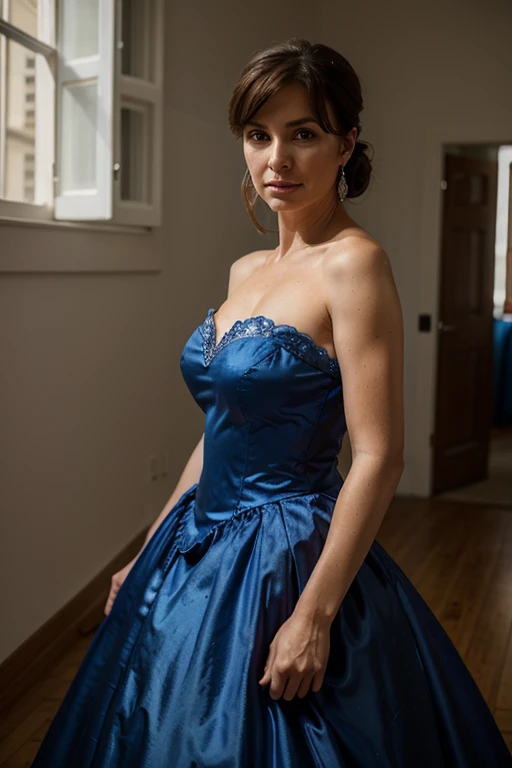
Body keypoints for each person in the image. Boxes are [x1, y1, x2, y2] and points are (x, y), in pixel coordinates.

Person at [31, 37, 512, 767]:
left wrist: (314, 615)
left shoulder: (355, 265)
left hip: (282, 554)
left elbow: (380, 456)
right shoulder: (246, 267)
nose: (276, 160)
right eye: (259, 135)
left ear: (346, 144)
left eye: (304, 134)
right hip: (195, 539)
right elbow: (220, 430)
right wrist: (145, 548)